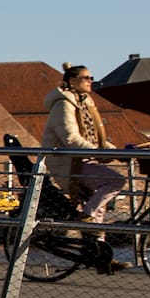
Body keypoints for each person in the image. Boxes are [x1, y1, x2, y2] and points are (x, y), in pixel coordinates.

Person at [42, 63, 127, 273]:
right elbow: (70, 139)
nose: (90, 81)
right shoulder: (64, 105)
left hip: (83, 160)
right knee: (116, 182)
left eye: (91, 78)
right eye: (86, 78)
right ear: (72, 81)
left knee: (99, 208)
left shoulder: (85, 104)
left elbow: (94, 139)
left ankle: (100, 258)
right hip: (69, 163)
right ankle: (85, 216)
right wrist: (103, 153)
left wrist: (115, 152)